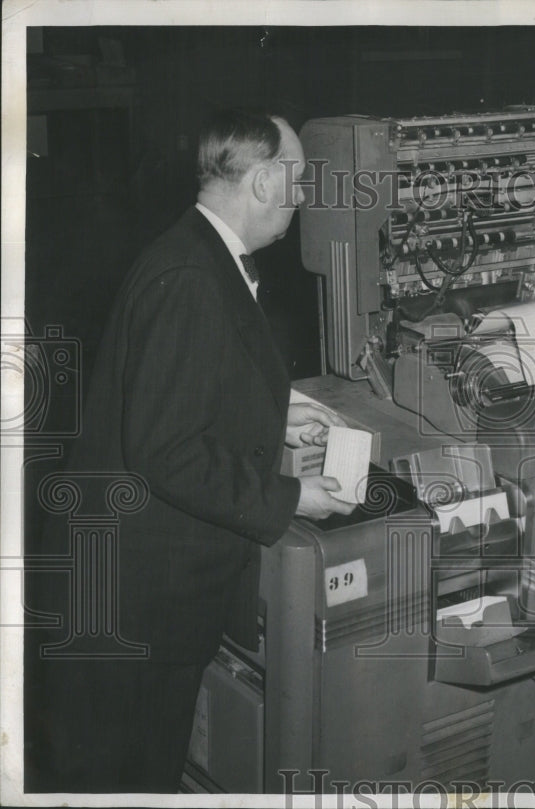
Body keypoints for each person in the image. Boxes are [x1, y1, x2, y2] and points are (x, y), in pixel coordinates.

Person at [35, 110, 355, 792]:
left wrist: (276, 419)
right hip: (135, 602)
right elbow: (168, 450)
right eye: (296, 184)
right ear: (265, 179)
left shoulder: (193, 250)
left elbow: (187, 392)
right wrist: (293, 495)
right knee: (125, 777)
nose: (300, 201)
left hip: (137, 587)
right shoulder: (189, 276)